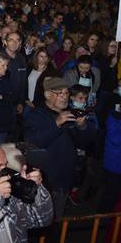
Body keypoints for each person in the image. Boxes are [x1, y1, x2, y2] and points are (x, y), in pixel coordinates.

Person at [24, 77, 96, 218]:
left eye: (66, 93)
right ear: (47, 94)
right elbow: (33, 142)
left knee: (57, 220)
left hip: (65, 179)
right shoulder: (35, 115)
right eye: (60, 93)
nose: (65, 96)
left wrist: (82, 127)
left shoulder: (71, 113)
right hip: (45, 181)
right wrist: (56, 123)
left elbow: (84, 143)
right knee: (41, 221)